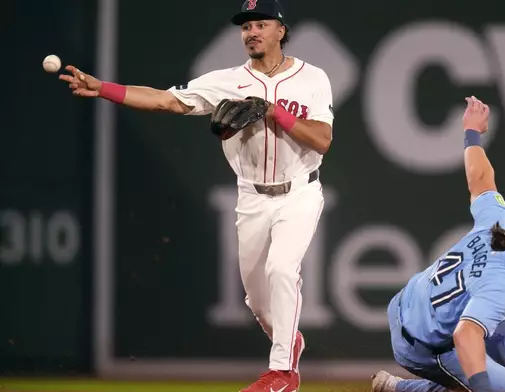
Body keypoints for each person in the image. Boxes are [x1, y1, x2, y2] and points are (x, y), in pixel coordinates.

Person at [59, 1, 334, 391]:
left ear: (281, 31)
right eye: (245, 26)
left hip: (299, 193)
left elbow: (322, 141)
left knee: (281, 269)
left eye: (260, 24)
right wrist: (103, 88)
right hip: (251, 197)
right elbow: (165, 100)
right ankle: (289, 340)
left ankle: (282, 373)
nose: (251, 32)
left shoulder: (313, 78)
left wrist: (277, 113)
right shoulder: (226, 81)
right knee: (257, 303)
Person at [371, 96, 505, 392]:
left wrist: (471, 132)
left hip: (407, 305)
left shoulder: (501, 225)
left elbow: (480, 179)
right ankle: (398, 389)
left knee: (496, 316)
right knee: (501, 387)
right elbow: (465, 335)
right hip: (421, 346)